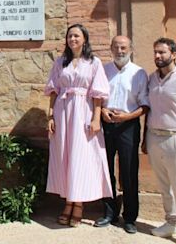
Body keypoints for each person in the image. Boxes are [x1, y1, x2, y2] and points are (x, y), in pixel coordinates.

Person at [46, 24, 111, 227]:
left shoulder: (93, 62)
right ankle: (68, 202)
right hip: (62, 111)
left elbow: (98, 93)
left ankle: (79, 204)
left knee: (80, 156)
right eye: (70, 36)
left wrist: (96, 119)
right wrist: (50, 116)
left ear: (84, 39)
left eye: (76, 35)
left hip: (83, 111)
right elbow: (53, 90)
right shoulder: (60, 62)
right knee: (65, 154)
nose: (72, 39)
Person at [94, 36, 149, 234]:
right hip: (106, 125)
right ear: (111, 49)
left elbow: (144, 105)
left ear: (131, 49)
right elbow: (96, 98)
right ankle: (109, 212)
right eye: (116, 47)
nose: (120, 51)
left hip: (128, 126)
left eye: (123, 47)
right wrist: (102, 112)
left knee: (129, 171)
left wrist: (127, 116)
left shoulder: (139, 73)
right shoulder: (103, 70)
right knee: (106, 170)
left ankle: (130, 217)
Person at [145, 37, 176, 242]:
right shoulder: (152, 78)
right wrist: (145, 138)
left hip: (175, 137)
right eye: (155, 52)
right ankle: (171, 223)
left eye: (162, 52)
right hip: (154, 136)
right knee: (164, 185)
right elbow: (148, 108)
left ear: (174, 54)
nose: (158, 56)